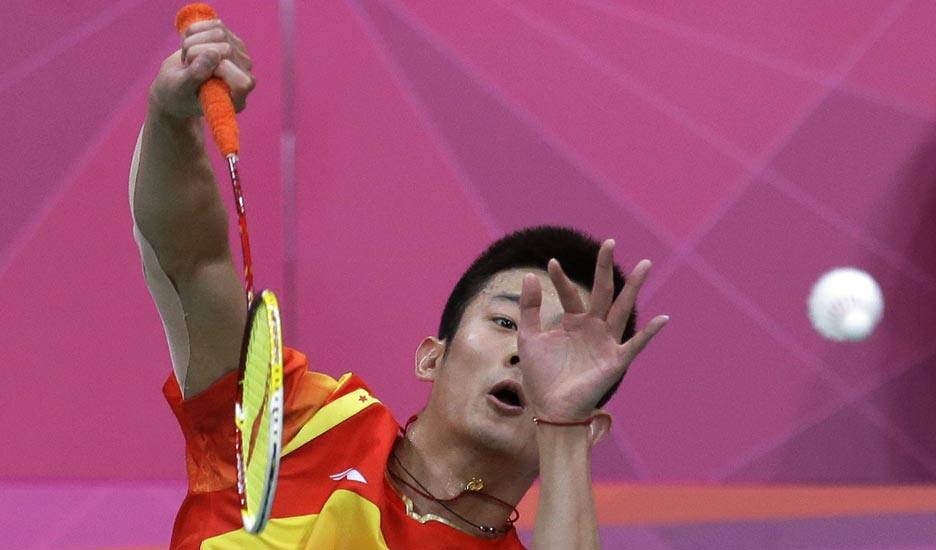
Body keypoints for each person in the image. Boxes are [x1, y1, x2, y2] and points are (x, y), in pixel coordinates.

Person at [130, 18, 669, 550]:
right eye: (505, 322)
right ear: (431, 358)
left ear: (590, 430)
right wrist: (172, 117)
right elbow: (191, 259)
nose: (525, 356)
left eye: (559, 352)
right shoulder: (293, 426)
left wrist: (562, 426)